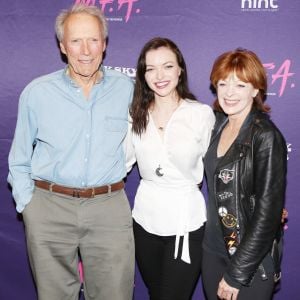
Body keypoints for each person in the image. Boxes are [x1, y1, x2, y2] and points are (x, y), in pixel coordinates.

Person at [8, 4, 134, 300]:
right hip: (48, 207)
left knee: (114, 294)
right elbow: (19, 158)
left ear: (104, 43)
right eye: (76, 41)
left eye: (93, 40)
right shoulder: (37, 92)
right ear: (63, 47)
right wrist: (30, 207)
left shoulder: (128, 88)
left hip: (108, 208)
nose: (86, 50)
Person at [125, 37, 215, 299]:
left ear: (180, 69)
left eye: (167, 66)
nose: (159, 75)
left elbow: (220, 167)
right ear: (143, 75)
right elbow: (120, 162)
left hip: (185, 223)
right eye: (150, 68)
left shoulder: (200, 115)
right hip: (144, 221)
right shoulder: (135, 115)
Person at [202, 48, 287, 300]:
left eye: (240, 85)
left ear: (255, 89)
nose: (229, 92)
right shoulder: (218, 123)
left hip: (249, 261)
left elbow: (267, 217)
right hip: (212, 251)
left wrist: (237, 273)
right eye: (222, 83)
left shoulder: (266, 136)